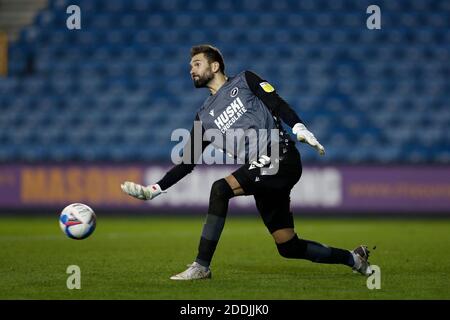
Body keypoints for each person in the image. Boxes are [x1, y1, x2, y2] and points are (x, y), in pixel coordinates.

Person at [121, 44, 372, 280]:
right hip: (262, 170)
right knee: (287, 245)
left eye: (196, 64)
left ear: (215, 66)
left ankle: (201, 266)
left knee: (220, 188)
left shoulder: (245, 80)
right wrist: (154, 190)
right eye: (190, 67)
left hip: (280, 154)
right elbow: (187, 162)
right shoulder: (203, 117)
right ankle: (354, 259)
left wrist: (298, 126)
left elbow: (277, 102)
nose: (191, 70)